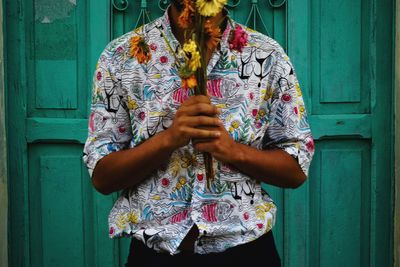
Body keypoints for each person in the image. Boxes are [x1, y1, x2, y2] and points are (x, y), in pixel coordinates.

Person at [82, 1, 314, 266]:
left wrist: (232, 150)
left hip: (246, 250)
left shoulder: (266, 55)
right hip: (156, 254)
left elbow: (296, 169)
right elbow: (102, 177)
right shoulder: (122, 56)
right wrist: (168, 140)